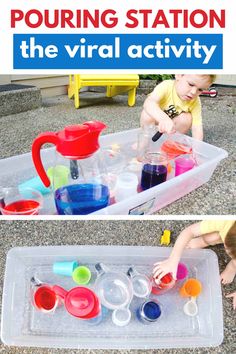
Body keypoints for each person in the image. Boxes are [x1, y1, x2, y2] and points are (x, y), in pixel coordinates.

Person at [153, 220, 236, 309]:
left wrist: (232, 268)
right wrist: (172, 260)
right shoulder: (226, 222)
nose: (227, 253)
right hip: (224, 230)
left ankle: (232, 267)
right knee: (211, 237)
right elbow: (190, 231)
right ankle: (203, 241)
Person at [140, 74, 216, 141]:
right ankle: (144, 142)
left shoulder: (195, 101)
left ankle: (169, 144)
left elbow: (197, 127)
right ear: (179, 75)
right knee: (147, 115)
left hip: (171, 128)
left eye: (200, 89)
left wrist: (197, 151)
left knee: (186, 119)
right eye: (191, 84)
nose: (193, 92)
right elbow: (149, 103)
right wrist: (163, 119)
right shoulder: (166, 86)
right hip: (154, 124)